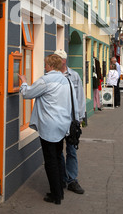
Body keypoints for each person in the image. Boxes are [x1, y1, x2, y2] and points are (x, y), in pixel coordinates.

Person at [19, 54, 78, 205]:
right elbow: (74, 103)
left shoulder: (45, 80)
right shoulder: (67, 81)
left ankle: (55, 195)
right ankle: (60, 189)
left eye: (46, 64)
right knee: (58, 157)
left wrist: (24, 83)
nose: (45, 67)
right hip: (63, 125)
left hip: (49, 127)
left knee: (50, 160)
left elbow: (27, 93)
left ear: (50, 66)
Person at [54, 49, 86, 195]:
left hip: (71, 121)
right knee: (58, 150)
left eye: (58, 59)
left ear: (64, 60)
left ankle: (72, 180)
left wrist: (79, 118)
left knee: (72, 150)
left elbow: (80, 97)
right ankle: (62, 178)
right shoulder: (51, 76)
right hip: (57, 120)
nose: (56, 61)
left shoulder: (74, 76)